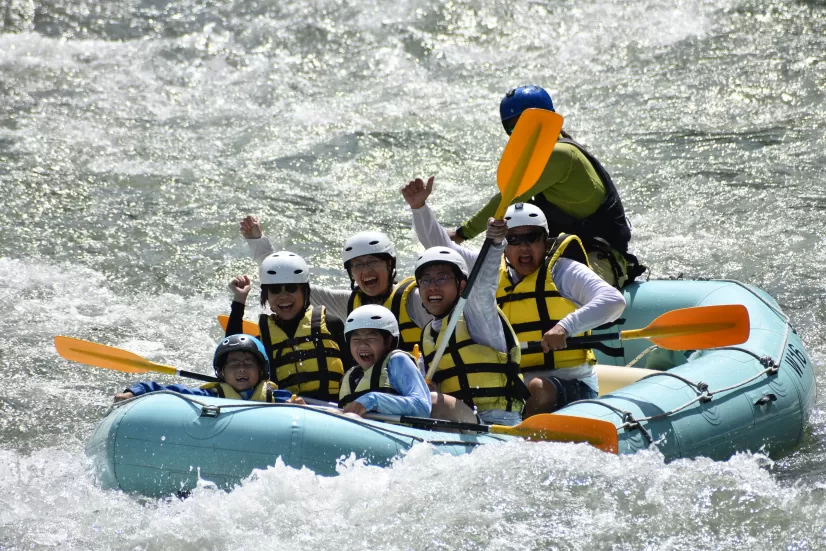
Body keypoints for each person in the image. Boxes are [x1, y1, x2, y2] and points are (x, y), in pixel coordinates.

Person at [402, 178, 626, 417]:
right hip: (514, 386)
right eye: (514, 240)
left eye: (531, 238)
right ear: (505, 244)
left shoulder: (563, 271)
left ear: (545, 239)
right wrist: (419, 208)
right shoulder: (491, 269)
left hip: (571, 382)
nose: (523, 248)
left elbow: (613, 301)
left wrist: (566, 326)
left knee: (536, 388)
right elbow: (443, 250)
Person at [448, 85, 645, 288]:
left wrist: (462, 233)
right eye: (511, 130)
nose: (517, 136)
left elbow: (508, 199)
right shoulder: (545, 155)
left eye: (522, 127)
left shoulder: (557, 155)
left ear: (544, 122)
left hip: (600, 257)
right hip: (562, 254)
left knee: (558, 295)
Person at [239, 216, 432, 352]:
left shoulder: (415, 301)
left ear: (390, 265)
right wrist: (257, 242)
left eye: (373, 261)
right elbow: (294, 284)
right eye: (357, 265)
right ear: (351, 273)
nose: (365, 270)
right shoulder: (349, 304)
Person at [415, 234, 529, 427]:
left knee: (432, 402)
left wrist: (495, 243)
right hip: (460, 424)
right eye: (425, 281)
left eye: (442, 279)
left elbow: (485, 286)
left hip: (498, 424)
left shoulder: (477, 318)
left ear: (461, 286)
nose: (432, 287)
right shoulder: (428, 335)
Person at [225, 251, 346, 403]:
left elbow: (356, 371)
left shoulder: (332, 325)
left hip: (333, 409)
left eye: (291, 288)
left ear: (304, 290)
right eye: (275, 290)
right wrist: (239, 300)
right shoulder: (263, 340)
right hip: (285, 411)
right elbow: (230, 353)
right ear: (266, 296)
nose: (283, 296)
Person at [113, 334, 291, 403]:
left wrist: (299, 406)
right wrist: (134, 392)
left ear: (261, 370)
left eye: (248, 363)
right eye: (234, 364)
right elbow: (165, 391)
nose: (241, 369)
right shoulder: (208, 397)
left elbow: (303, 411)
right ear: (221, 372)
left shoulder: (277, 398)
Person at [338, 304, 431, 418]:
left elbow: (422, 407)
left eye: (371, 338)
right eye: (356, 339)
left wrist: (372, 400)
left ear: (388, 341)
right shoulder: (352, 376)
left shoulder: (398, 361)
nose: (363, 344)